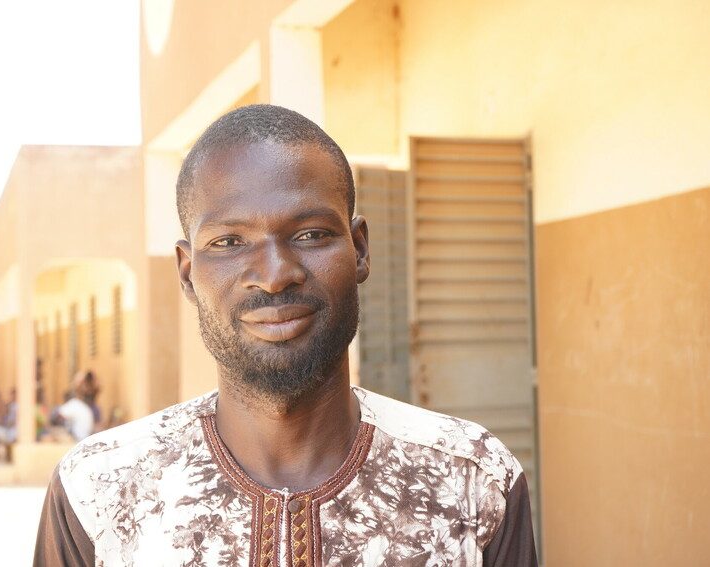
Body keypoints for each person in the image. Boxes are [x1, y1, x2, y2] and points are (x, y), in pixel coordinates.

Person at [34, 105, 537, 566]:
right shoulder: (100, 487)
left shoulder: (473, 480)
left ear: (359, 250)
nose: (274, 275)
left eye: (310, 235)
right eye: (229, 242)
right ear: (188, 273)